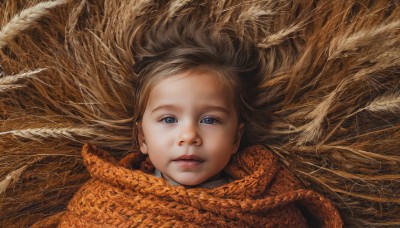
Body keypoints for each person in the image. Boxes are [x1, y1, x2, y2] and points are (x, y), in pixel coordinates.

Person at [38, 17, 342, 228]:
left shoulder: (267, 204)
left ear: (236, 139)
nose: (189, 135)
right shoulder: (105, 201)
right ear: (141, 138)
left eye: (210, 119)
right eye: (169, 119)